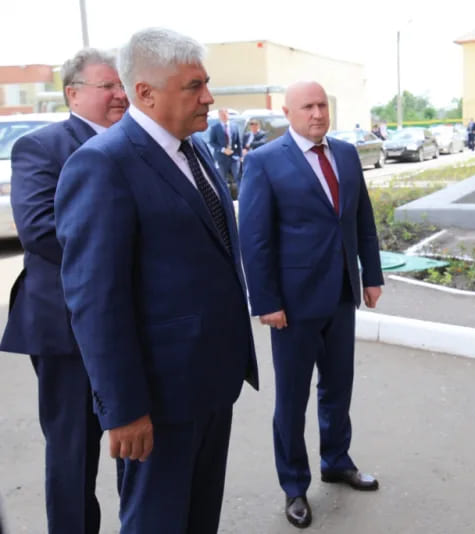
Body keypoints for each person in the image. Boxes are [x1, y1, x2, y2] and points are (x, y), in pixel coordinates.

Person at [54, 28, 259, 533]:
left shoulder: (196, 150)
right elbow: (96, 301)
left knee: (198, 519)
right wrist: (123, 410)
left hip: (211, 383)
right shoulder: (103, 165)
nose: (208, 97)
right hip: (156, 401)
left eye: (206, 83)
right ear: (145, 92)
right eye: (194, 86)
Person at [238, 80, 384, 529]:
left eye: (322, 105)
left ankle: (336, 460)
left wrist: (371, 275)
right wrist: (266, 301)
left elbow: (362, 220)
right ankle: (294, 486)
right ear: (288, 112)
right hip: (293, 305)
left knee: (338, 387)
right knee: (293, 398)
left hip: (340, 293)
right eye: (308, 106)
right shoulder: (264, 162)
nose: (317, 113)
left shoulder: (343, 154)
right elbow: (255, 239)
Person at [0, 48, 128, 534]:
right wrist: (130, 247)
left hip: (130, 324)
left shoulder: (136, 144)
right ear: (73, 93)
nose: (120, 94)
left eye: (122, 85)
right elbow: (38, 229)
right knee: (74, 451)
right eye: (108, 86)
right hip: (66, 329)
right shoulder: (42, 147)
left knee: (136, 443)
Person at [209, 107, 241, 191]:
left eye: (225, 114)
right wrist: (223, 149)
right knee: (223, 179)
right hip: (221, 157)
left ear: (228, 114)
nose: (224, 116)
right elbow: (212, 142)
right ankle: (226, 199)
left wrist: (240, 156)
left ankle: (241, 197)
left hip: (234, 157)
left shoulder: (234, 126)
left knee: (238, 177)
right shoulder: (215, 128)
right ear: (219, 116)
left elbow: (238, 142)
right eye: (222, 114)